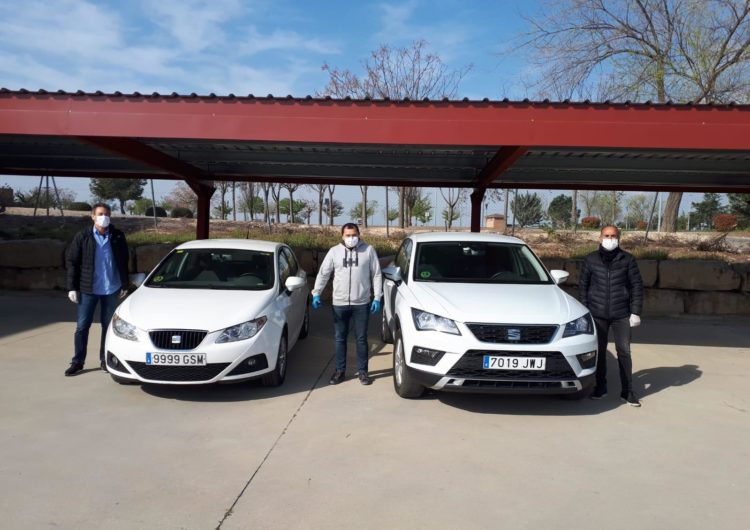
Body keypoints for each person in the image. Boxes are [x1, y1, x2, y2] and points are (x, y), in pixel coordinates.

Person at [579, 225, 644, 406]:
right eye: (606, 235)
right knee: (599, 351)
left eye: (613, 236)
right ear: (600, 238)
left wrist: (635, 312)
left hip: (621, 314)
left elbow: (636, 287)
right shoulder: (591, 259)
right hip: (596, 314)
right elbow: (583, 286)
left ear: (619, 238)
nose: (610, 239)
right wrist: (585, 312)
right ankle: (600, 387)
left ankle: (627, 391)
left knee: (624, 351)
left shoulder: (628, 260)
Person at [312, 223, 383, 385]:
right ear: (342, 236)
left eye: (354, 235)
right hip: (340, 303)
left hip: (362, 303)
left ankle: (363, 372)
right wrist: (316, 292)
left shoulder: (368, 251)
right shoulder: (334, 252)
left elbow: (377, 275)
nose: (351, 238)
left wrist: (377, 297)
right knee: (340, 339)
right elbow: (324, 273)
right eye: (348, 235)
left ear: (359, 234)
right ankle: (339, 371)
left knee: (361, 339)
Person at [64, 203, 129, 376]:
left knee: (108, 327)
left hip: (112, 288)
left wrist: (125, 284)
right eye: (100, 214)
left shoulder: (117, 236)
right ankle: (78, 361)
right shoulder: (83, 236)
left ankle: (105, 360)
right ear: (92, 216)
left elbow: (124, 260)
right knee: (82, 326)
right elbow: (72, 261)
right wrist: (72, 287)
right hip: (88, 289)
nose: (104, 217)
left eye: (107, 214)